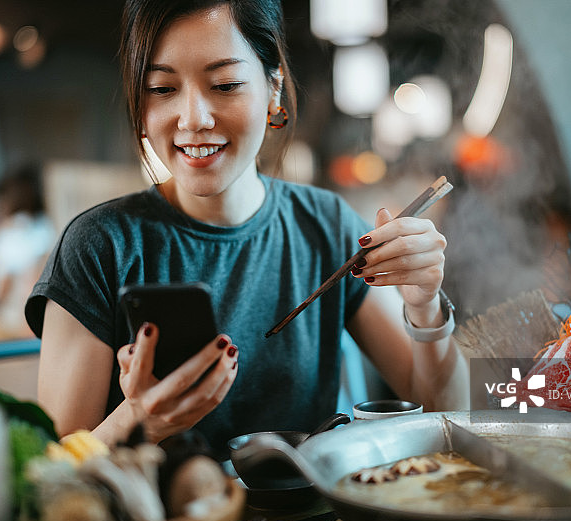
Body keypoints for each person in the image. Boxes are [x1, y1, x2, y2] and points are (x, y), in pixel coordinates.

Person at [25, 0, 469, 455]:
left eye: (225, 84)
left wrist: (424, 304)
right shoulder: (98, 247)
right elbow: (51, 482)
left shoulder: (325, 226)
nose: (193, 118)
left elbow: (445, 414)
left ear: (273, 88)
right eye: (161, 88)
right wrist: (139, 421)